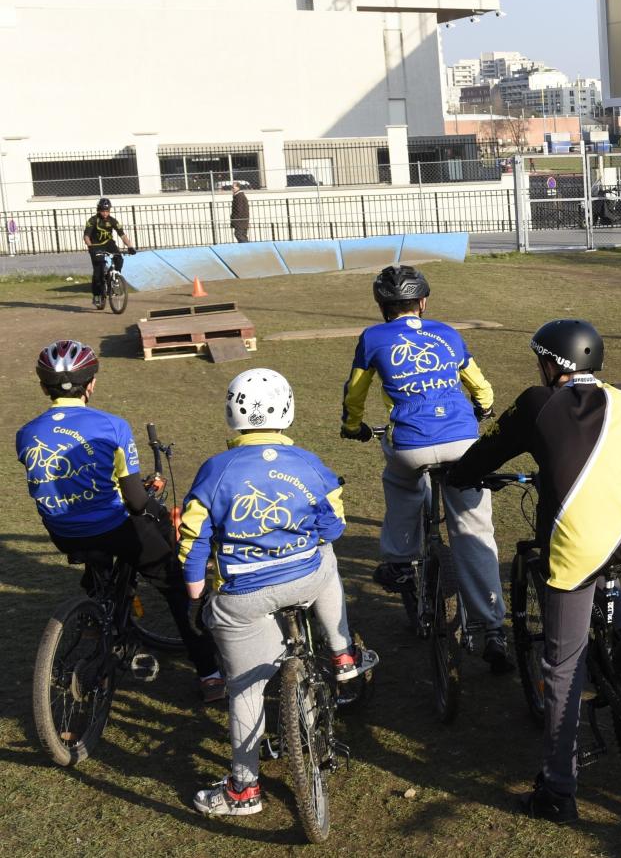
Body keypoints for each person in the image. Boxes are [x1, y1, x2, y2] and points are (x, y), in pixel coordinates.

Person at [448, 319, 621, 824]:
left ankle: (558, 790)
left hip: (576, 546)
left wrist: (462, 476)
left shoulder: (538, 404)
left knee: (562, 667)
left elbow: (488, 451)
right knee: (609, 584)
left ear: (551, 364)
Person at [182, 368, 376, 818]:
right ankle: (343, 654)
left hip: (242, 596)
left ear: (231, 412)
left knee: (245, 692)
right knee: (326, 557)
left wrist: (195, 590)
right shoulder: (308, 462)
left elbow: (193, 538)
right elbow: (335, 523)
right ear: (288, 408)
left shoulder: (216, 470)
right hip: (304, 576)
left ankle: (244, 791)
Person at [16, 340, 222, 702]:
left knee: (95, 548)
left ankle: (97, 610)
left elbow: (64, 480)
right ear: (90, 384)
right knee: (174, 584)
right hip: (111, 528)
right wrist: (153, 510)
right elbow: (137, 500)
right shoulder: (112, 426)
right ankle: (210, 674)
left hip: (62, 531)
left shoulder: (26, 434)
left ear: (42, 386)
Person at [340, 265, 509, 671]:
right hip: (464, 442)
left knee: (400, 481)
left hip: (412, 445)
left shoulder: (373, 338)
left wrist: (351, 427)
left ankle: (400, 560)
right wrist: (483, 409)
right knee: (474, 532)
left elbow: (356, 393)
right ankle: (493, 631)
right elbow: (480, 386)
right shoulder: (447, 334)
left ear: (382, 306)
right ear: (424, 302)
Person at [83, 198, 136, 310]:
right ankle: (97, 296)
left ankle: (115, 278)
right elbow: (86, 236)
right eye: (103, 210)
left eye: (107, 210)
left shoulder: (112, 221)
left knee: (119, 259)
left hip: (108, 244)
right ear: (98, 210)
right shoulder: (93, 220)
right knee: (98, 273)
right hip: (96, 246)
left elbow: (122, 235)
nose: (105, 213)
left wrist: (130, 246)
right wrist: (90, 247)